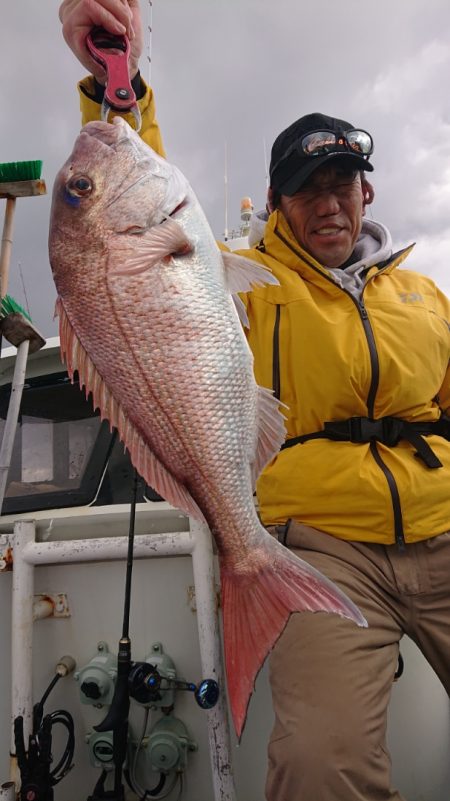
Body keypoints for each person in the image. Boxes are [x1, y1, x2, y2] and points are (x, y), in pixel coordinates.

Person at [59, 2, 450, 799]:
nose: (329, 204)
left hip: (444, 522)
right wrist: (115, 79)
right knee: (316, 764)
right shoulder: (244, 280)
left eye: (342, 185)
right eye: (308, 191)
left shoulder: (424, 295)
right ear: (277, 202)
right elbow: (130, 231)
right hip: (325, 542)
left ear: (367, 192)